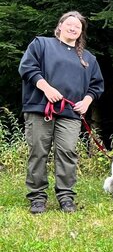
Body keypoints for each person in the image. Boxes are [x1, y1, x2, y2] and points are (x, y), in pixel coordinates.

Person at [18, 11, 104, 214]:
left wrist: (87, 101)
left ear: (81, 32)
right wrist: (46, 88)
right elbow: (27, 68)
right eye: (70, 24)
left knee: (67, 152)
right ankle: (37, 198)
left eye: (78, 26)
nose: (73, 28)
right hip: (40, 108)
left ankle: (66, 197)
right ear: (60, 25)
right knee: (38, 152)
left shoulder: (88, 58)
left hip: (71, 113)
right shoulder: (42, 44)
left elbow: (96, 85)